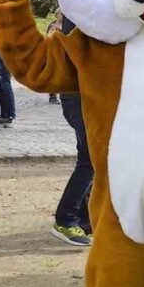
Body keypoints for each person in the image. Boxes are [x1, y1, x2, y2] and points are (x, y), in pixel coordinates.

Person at [51, 17, 93, 246]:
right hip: (78, 96)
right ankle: (66, 219)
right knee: (90, 158)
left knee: (94, 158)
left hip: (87, 97)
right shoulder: (80, 16)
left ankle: (86, 222)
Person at [47, 9, 63, 105]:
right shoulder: (52, 25)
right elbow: (48, 37)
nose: (63, 16)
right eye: (61, 14)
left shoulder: (68, 26)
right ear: (57, 15)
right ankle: (52, 96)